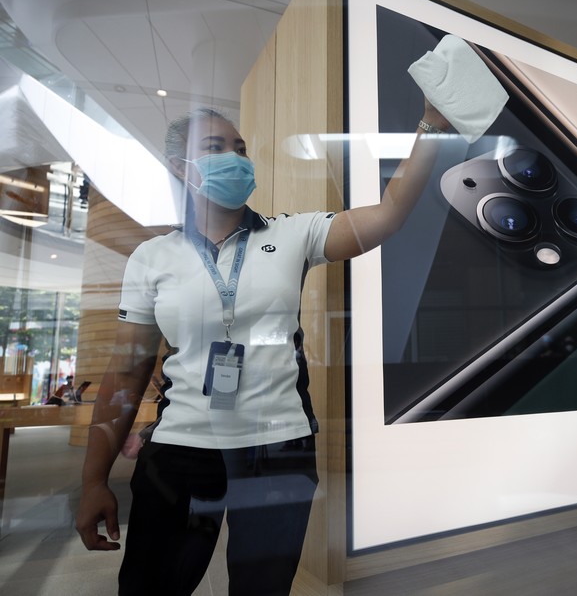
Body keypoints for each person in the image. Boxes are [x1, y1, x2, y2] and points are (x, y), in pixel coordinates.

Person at [75, 103, 450, 595]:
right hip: (182, 448)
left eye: (240, 148)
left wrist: (431, 128)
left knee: (262, 589)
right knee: (151, 586)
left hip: (279, 446)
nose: (234, 157)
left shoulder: (292, 233)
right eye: (215, 148)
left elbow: (388, 215)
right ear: (179, 167)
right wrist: (93, 480)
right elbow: (126, 372)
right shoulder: (153, 257)